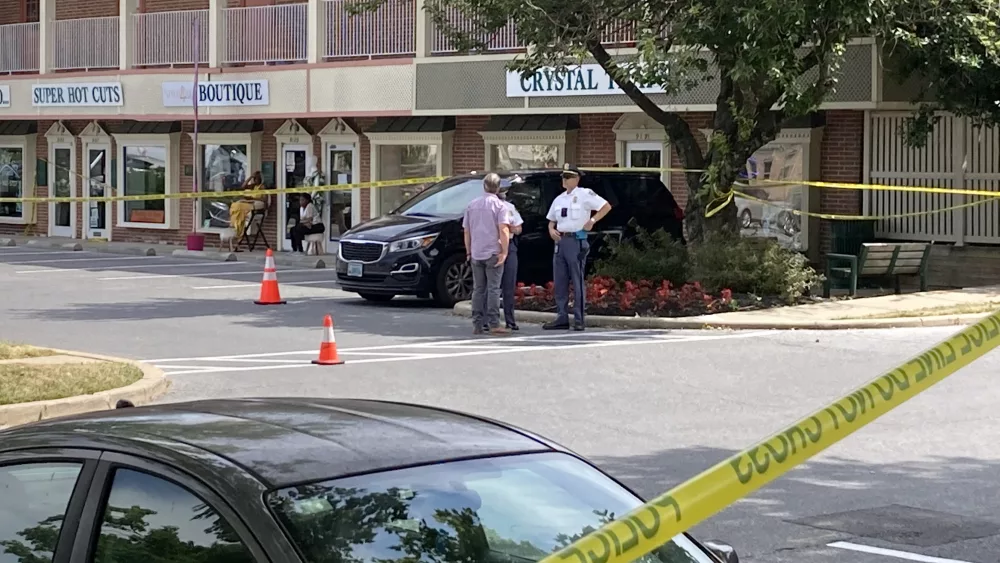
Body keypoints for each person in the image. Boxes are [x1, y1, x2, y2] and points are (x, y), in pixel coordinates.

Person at [543, 164, 612, 331]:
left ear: (576, 179)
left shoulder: (584, 194)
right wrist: (551, 230)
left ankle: (579, 319)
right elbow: (552, 219)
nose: (564, 180)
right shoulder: (559, 199)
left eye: (568, 177)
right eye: (563, 177)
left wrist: (593, 221)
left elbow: (606, 206)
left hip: (576, 240)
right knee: (560, 281)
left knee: (576, 279)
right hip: (561, 241)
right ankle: (561, 317)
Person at [463, 173, 511, 336]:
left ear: (484, 186)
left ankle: (477, 323)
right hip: (493, 252)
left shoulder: (472, 205)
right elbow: (503, 229)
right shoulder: (500, 206)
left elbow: (467, 231)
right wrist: (504, 251)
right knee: (493, 289)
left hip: (476, 252)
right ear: (497, 188)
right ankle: (494, 323)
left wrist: (468, 251)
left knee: (478, 289)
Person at [499, 186, 523, 330]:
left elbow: (519, 227)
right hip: (493, 246)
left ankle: (510, 320)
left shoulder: (510, 207)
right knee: (492, 287)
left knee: (509, 285)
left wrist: (513, 228)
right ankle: (489, 320)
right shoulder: (490, 207)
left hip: (510, 245)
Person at [228, 171, 267, 252]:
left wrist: (252, 199)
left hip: (254, 203)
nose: (255, 180)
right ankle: (235, 223)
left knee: (239, 206)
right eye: (254, 178)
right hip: (249, 202)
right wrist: (250, 177)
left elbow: (264, 199)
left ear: (260, 179)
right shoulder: (253, 186)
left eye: (257, 178)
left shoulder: (262, 187)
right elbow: (243, 186)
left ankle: (238, 228)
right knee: (235, 205)